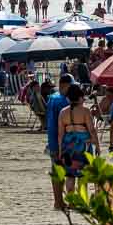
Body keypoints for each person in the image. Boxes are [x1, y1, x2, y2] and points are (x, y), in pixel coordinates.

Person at [57, 85, 101, 193]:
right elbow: (92, 130)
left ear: (68, 98)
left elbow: (60, 134)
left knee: (70, 175)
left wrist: (60, 150)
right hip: (83, 146)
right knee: (83, 175)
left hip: (68, 146)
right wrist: (97, 146)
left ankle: (71, 198)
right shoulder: (85, 111)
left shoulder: (63, 112)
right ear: (80, 97)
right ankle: (82, 198)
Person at [45, 74, 73, 209]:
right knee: (64, 172)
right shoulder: (63, 101)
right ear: (66, 85)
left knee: (57, 171)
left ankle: (58, 200)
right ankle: (60, 201)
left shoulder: (52, 98)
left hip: (52, 139)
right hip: (62, 140)